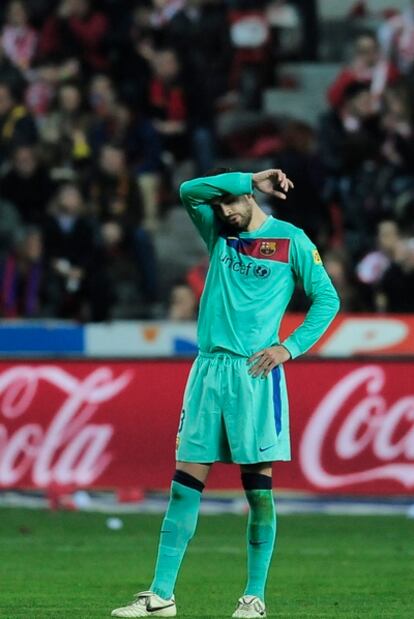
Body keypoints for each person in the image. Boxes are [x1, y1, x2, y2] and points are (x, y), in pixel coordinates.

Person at [111, 167, 340, 618]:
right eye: (221, 204)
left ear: (250, 202)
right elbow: (186, 190)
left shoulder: (291, 240)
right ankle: (161, 596)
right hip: (207, 372)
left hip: (254, 374)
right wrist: (249, 179)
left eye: (232, 202)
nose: (225, 211)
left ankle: (253, 598)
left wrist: (288, 347)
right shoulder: (218, 233)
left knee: (257, 492)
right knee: (183, 486)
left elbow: (327, 299)